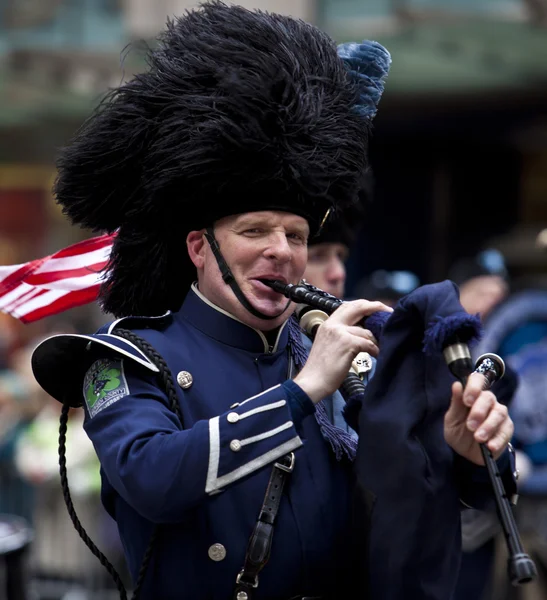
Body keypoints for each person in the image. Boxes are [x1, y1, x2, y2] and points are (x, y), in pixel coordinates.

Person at [30, 3, 515, 599]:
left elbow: (414, 493)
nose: (281, 252)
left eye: (296, 236)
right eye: (255, 231)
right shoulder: (129, 358)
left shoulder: (334, 355)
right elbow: (152, 477)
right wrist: (301, 392)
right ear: (199, 248)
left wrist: (464, 449)